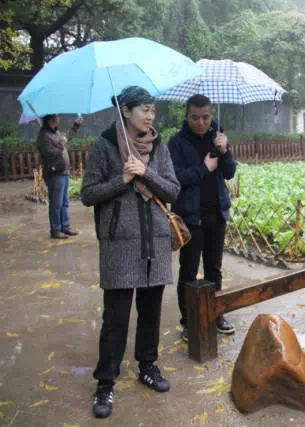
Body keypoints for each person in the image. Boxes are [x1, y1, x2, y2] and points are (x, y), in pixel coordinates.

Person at [81, 86, 180, 419]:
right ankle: (105, 382)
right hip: (120, 245)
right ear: (125, 111)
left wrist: (145, 172)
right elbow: (88, 194)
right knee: (116, 318)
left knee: (151, 311)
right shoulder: (105, 146)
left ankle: (147, 365)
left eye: (153, 109)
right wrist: (122, 179)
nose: (150, 116)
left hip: (156, 241)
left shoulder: (159, 145)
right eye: (144, 110)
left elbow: (173, 190)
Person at [168, 94, 237, 340]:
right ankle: (189, 320)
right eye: (195, 117)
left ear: (211, 115)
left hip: (216, 213)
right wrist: (204, 169)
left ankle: (215, 314)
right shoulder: (176, 143)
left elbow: (229, 173)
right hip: (190, 217)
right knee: (188, 271)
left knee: (214, 269)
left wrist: (224, 152)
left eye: (206, 117)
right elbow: (175, 179)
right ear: (187, 116)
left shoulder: (218, 138)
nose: (201, 122)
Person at [37, 113, 83, 239]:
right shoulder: (44, 136)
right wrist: (61, 144)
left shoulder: (55, 132)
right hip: (54, 174)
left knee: (64, 202)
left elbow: (66, 137)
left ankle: (65, 227)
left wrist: (76, 126)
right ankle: (56, 230)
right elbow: (50, 154)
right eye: (57, 116)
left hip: (63, 172)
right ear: (51, 119)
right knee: (56, 204)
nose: (59, 118)